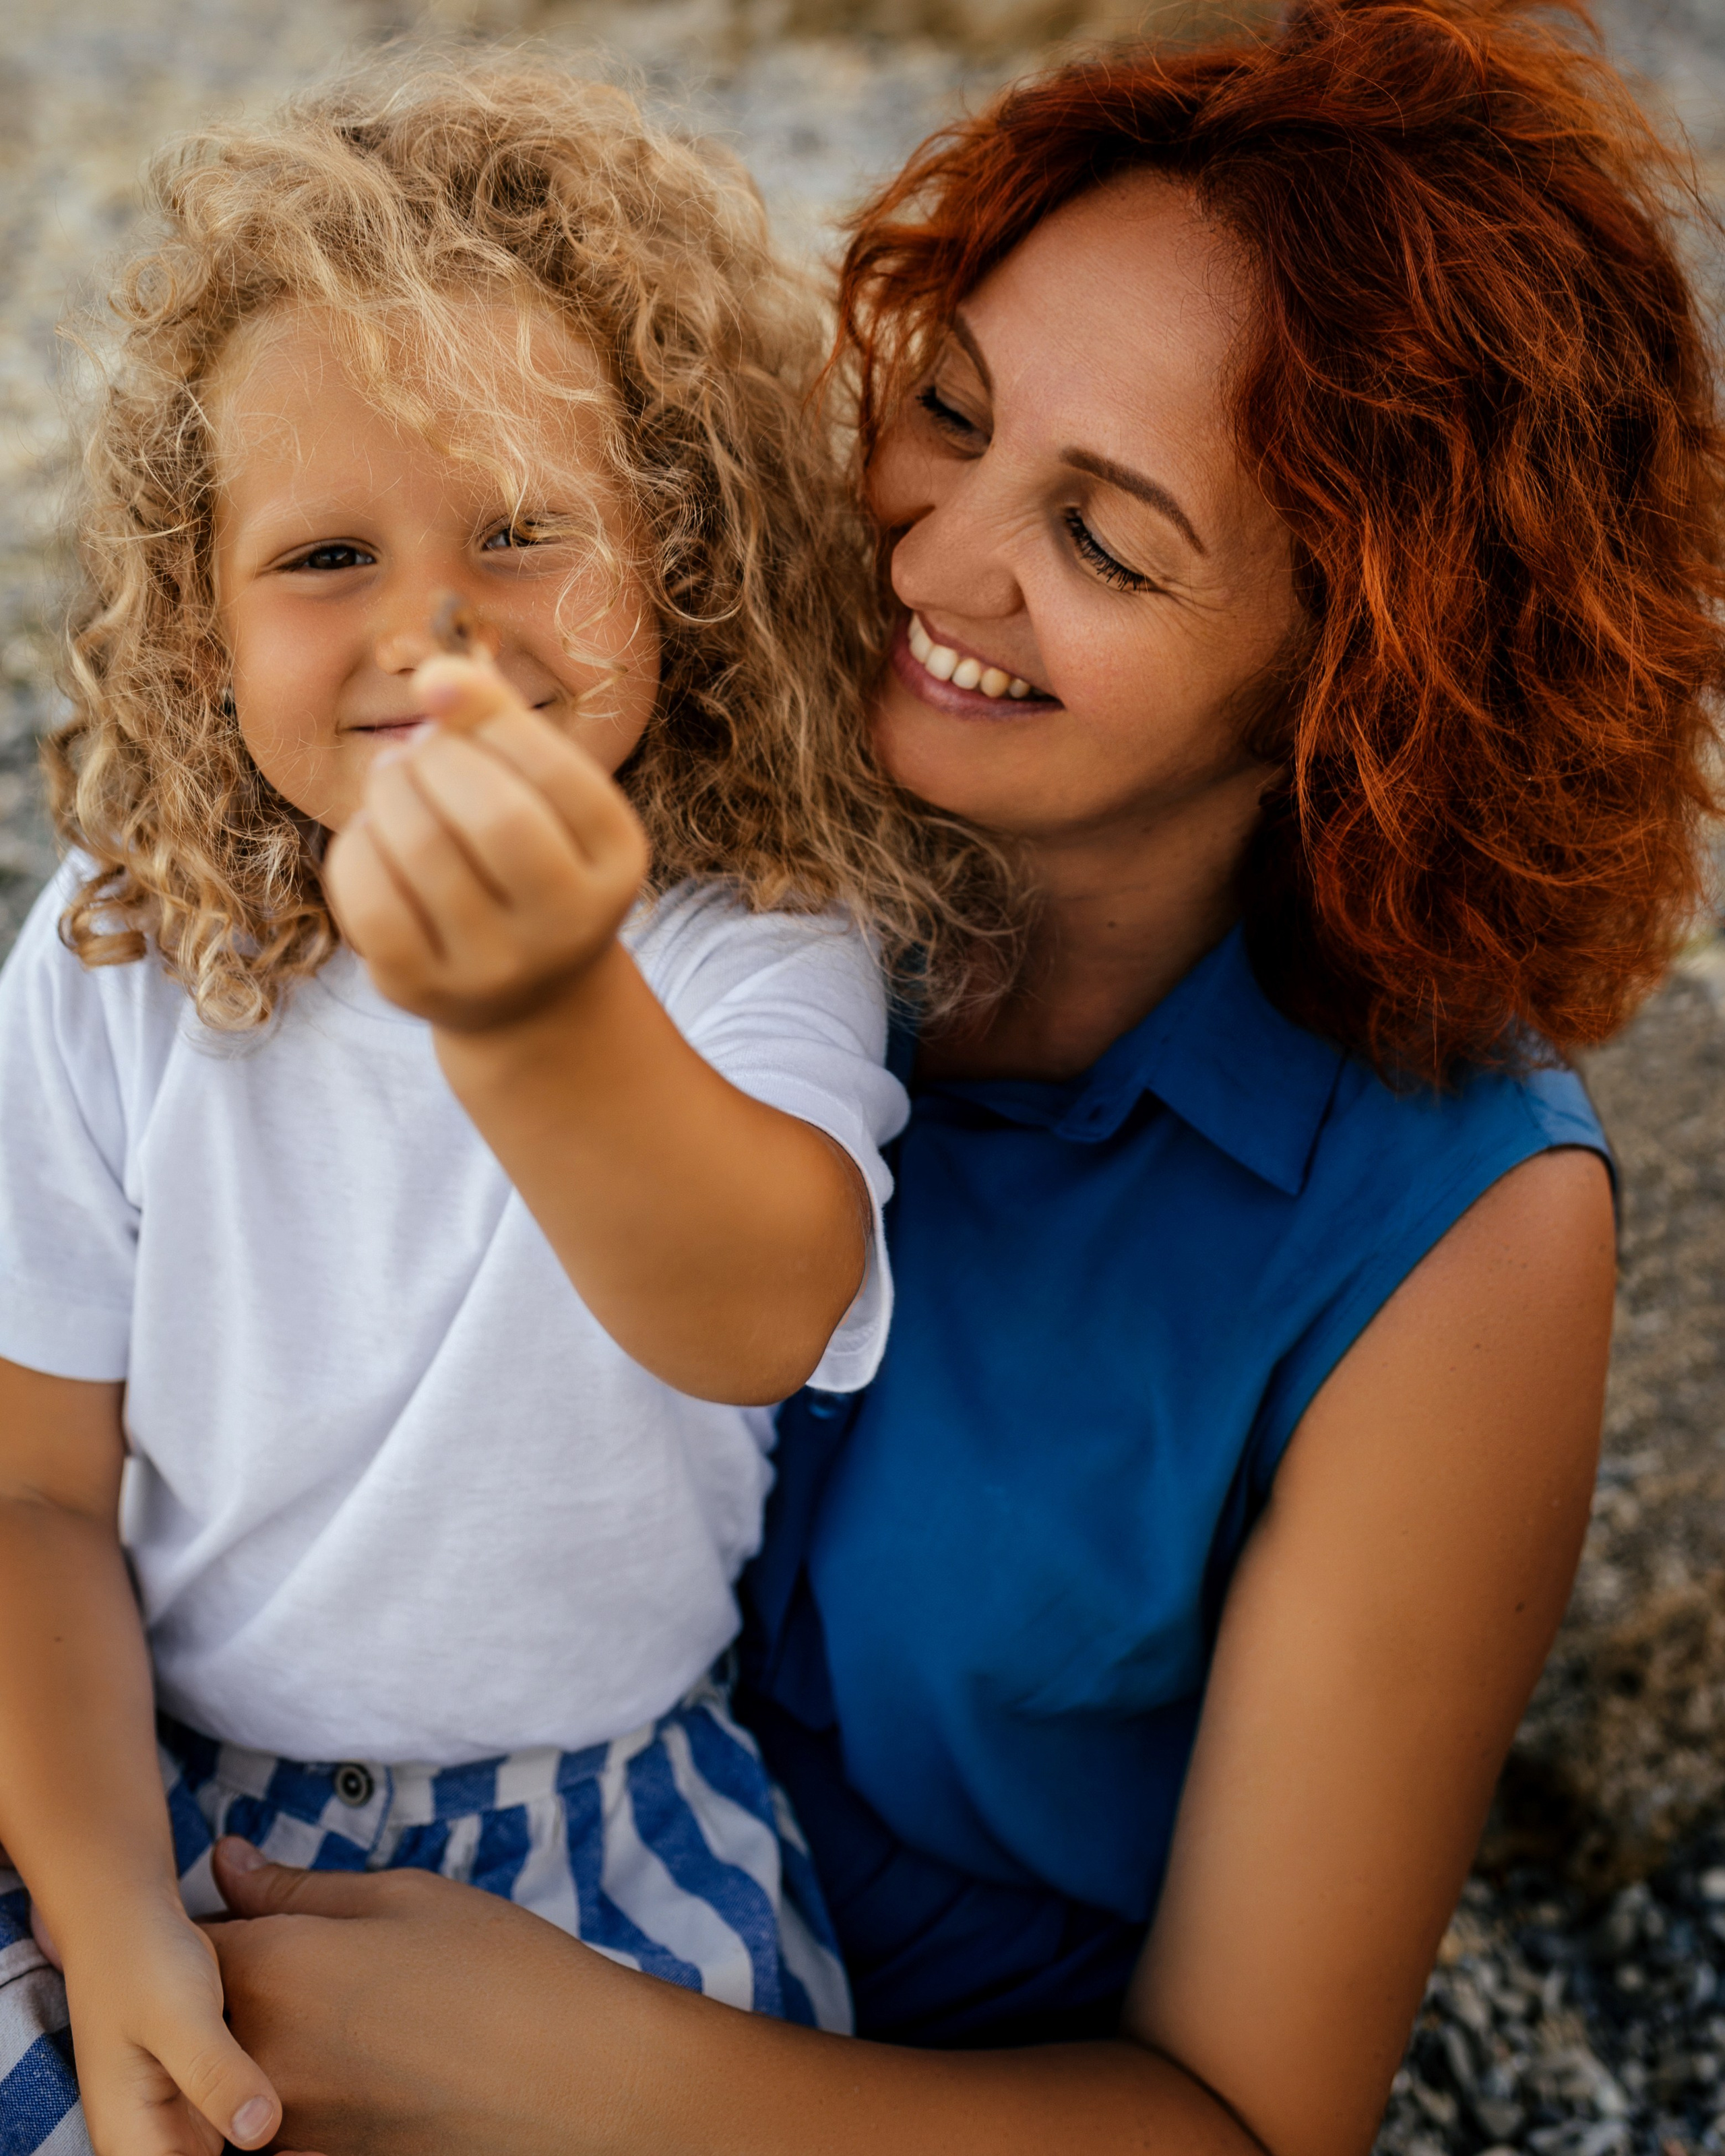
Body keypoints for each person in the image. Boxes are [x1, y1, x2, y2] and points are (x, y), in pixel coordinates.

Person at [105, 1, 1725, 2152]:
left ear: (1371, 668)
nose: (933, 561)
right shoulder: (644, 779)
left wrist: (566, 2065)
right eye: (948, 409)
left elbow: (1246, 2118)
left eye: (1109, 543)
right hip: (286, 1883)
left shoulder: (1450, 1226)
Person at [0, 59, 1009, 2156]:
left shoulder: (747, 940)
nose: (431, 628)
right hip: (136, 1782)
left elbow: (756, 1303)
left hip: (604, 1837)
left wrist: (539, 1004)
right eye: (328, 554)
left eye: (524, 529)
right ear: (197, 617)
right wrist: (111, 1917)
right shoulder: (118, 955)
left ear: (683, 558)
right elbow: (29, 1508)